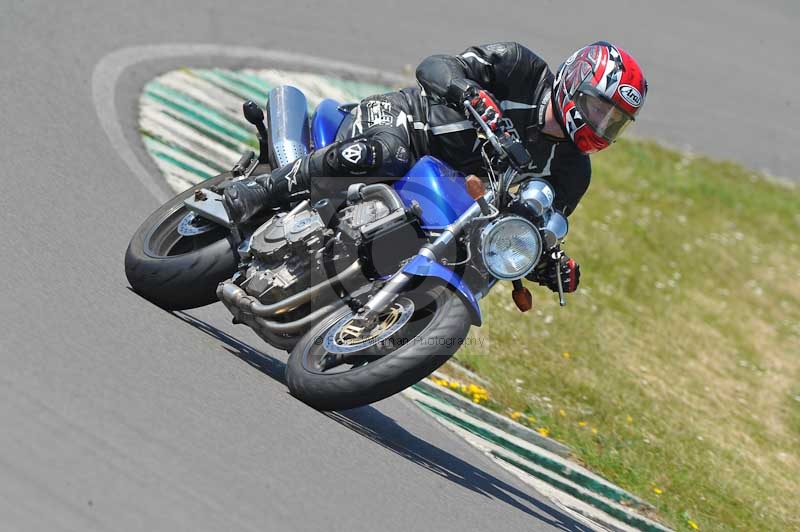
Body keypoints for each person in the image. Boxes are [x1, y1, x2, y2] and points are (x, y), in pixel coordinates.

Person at [223, 41, 648, 294]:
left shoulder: (573, 173)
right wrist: (468, 91)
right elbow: (436, 66)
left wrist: (544, 260)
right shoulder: (520, 67)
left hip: (444, 195)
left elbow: (533, 226)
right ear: (576, 80)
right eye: (598, 108)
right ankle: (264, 191)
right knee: (383, 154)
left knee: (470, 258)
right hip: (405, 125)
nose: (601, 124)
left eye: (615, 121)